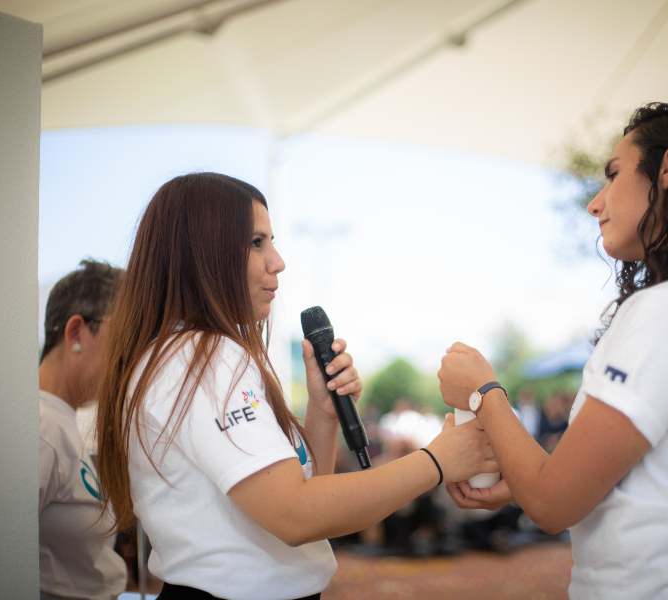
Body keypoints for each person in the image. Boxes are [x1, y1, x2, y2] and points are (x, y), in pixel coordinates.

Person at [438, 102, 668, 599]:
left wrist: (484, 392)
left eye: (613, 175)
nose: (595, 202)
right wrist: (527, 477)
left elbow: (551, 504)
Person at [95, 173, 495, 600]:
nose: (278, 260)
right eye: (256, 243)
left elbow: (307, 499)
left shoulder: (186, 355)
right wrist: (436, 461)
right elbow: (295, 516)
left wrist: (322, 416)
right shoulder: (202, 357)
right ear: (203, 254)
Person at [38, 259, 128, 600]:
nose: (128, 358)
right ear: (76, 332)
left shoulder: (62, 419)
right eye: (122, 339)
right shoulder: (41, 429)